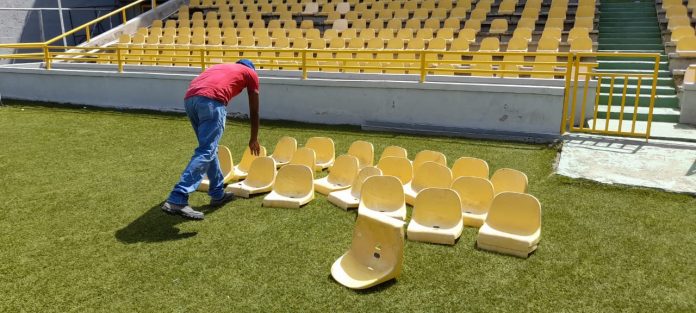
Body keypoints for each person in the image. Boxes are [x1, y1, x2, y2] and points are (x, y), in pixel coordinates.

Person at [162, 59, 261, 220]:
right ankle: (178, 197)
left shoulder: (220, 67)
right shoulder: (251, 73)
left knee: (209, 148)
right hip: (211, 102)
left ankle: (217, 193)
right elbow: (254, 110)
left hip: (190, 100)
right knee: (206, 150)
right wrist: (253, 138)